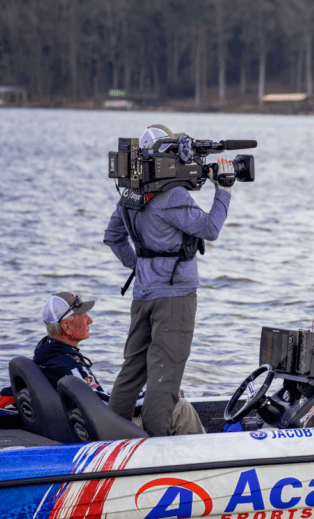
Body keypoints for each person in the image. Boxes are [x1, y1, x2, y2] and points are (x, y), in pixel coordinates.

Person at [103, 124, 234, 436]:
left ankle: (109, 436)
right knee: (166, 372)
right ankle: (157, 446)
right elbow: (210, 229)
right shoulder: (173, 195)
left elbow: (113, 237)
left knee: (132, 369)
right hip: (175, 297)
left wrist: (143, 264)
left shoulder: (131, 192)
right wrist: (224, 190)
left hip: (143, 293)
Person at [30, 292, 204, 434]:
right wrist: (159, 395)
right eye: (82, 316)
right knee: (180, 407)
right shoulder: (70, 366)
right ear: (67, 327)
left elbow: (96, 398)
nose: (90, 320)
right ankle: (205, 462)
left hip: (84, 423)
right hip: (103, 433)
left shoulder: (46, 353)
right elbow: (107, 406)